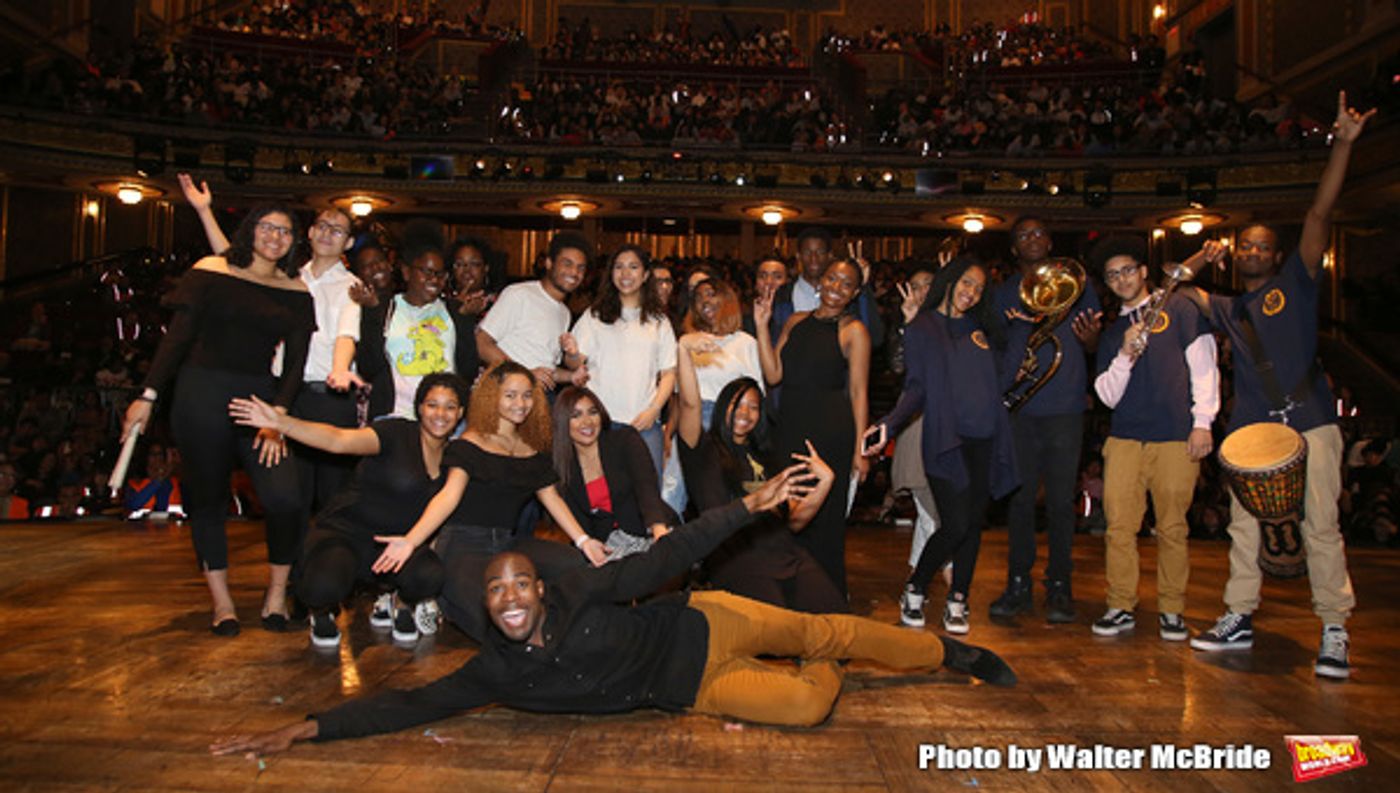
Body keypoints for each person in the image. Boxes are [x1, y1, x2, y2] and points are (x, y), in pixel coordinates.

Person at [208, 474, 1017, 757]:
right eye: (498, 591)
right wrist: (307, 726)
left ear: (539, 582)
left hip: (708, 622)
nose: (515, 595)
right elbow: (405, 705)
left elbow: (667, 559)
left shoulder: (583, 590)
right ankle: (823, 667)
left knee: (822, 628)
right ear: (486, 609)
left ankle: (944, 654)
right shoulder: (495, 670)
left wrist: (747, 504)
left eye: (521, 581)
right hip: (690, 690)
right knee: (809, 701)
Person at [1187, 91, 1374, 679]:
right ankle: (1238, 615)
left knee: (1319, 524)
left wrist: (1342, 145)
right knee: (1244, 526)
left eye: (1263, 245)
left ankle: (1335, 628)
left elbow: (1318, 216)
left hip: (1310, 417)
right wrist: (1195, 257)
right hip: (1249, 429)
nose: (1253, 251)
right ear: (1235, 254)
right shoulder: (1225, 306)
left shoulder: (1296, 280)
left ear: (1277, 254)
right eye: (1245, 246)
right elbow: (1171, 290)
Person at [121, 205, 314, 636]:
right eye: (267, 226)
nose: (275, 236)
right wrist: (147, 396)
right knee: (207, 500)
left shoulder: (296, 290)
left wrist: (277, 415)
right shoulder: (212, 269)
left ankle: (276, 594)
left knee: (284, 498)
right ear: (250, 230)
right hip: (200, 393)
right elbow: (177, 338)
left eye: (285, 231)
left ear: (293, 242)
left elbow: (296, 366)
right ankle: (222, 602)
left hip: (259, 401)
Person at [229, 373, 469, 647]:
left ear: (461, 412)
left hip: (395, 547)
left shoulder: (455, 456)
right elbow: (338, 440)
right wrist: (281, 422)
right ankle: (319, 614)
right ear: (419, 407)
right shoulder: (394, 433)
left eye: (450, 406)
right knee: (322, 587)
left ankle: (399, 605)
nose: (440, 413)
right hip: (346, 534)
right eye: (432, 404)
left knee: (431, 574)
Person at [375, 362, 605, 642]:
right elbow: (447, 497)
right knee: (495, 614)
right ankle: (439, 599)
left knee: (576, 565)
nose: (520, 403)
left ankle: (563, 636)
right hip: (463, 547)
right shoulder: (470, 444)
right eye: (510, 395)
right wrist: (410, 542)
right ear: (491, 397)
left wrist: (584, 541)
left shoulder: (532, 450)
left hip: (509, 544)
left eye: (527, 395)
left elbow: (552, 499)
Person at [177, 174, 362, 515]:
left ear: (348, 243)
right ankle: (295, 567)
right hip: (283, 397)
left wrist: (339, 369)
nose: (326, 233)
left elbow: (346, 336)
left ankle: (332, 566)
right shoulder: (288, 278)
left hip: (329, 397)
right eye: (322, 225)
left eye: (337, 230)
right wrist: (205, 212)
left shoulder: (351, 286)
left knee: (334, 499)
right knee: (292, 496)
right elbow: (232, 262)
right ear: (308, 232)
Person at [865, 256, 1017, 634]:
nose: (971, 292)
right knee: (955, 523)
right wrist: (890, 424)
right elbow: (916, 387)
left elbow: (1004, 379)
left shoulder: (983, 329)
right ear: (949, 281)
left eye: (979, 288)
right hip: (947, 441)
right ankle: (916, 588)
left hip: (986, 438)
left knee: (972, 526)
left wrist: (1023, 333)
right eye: (966, 282)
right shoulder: (924, 327)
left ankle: (958, 599)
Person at [1088, 236, 1219, 641]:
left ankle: (1172, 609)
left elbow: (1204, 367)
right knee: (1120, 528)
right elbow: (1106, 395)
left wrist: (1203, 423)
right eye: (1112, 275)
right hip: (1126, 437)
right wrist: (1125, 355)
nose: (1122, 279)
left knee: (1172, 527)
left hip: (1175, 437)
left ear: (1144, 272)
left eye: (1128, 269)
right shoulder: (1112, 333)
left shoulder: (1179, 309)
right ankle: (1121, 604)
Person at [676, 329, 846, 614]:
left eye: (753, 407)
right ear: (722, 406)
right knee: (777, 630)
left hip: (784, 552)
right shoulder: (702, 449)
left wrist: (827, 481)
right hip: (735, 556)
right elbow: (689, 403)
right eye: (737, 404)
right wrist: (683, 350)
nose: (745, 413)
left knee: (835, 619)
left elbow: (795, 521)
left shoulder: (766, 456)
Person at [989, 215, 1102, 624]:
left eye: (1039, 232)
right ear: (1015, 249)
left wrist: (1090, 338)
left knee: (1059, 504)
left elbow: (1092, 341)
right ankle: (1017, 582)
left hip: (1065, 409)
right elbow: (996, 349)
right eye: (1023, 236)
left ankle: (1059, 585)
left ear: (1050, 241)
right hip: (1019, 410)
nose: (1032, 239)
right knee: (1019, 501)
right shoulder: (1003, 294)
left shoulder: (1078, 286)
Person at [755, 258, 871, 598]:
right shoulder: (795, 321)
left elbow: (859, 392)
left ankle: (828, 602)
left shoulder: (854, 331)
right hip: (789, 429)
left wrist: (859, 451)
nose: (836, 287)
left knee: (825, 525)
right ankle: (791, 597)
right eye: (832, 279)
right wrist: (762, 327)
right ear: (820, 282)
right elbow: (773, 374)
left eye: (846, 283)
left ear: (855, 293)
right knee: (788, 518)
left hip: (831, 435)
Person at [568, 245, 677, 476]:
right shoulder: (594, 316)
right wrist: (571, 352)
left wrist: (654, 410)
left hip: (645, 425)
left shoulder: (659, 321)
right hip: (600, 425)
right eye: (619, 267)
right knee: (603, 498)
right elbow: (575, 365)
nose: (625, 274)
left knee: (648, 500)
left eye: (633, 267)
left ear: (646, 275)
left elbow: (669, 373)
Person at [354, 220, 479, 420]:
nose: (434, 279)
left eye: (440, 274)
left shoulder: (455, 310)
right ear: (406, 271)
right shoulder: (384, 308)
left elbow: (468, 371)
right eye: (427, 272)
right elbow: (368, 368)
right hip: (395, 416)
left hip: (444, 419)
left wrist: (465, 321)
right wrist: (370, 314)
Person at [551, 386, 673, 560]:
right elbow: (578, 522)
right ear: (562, 422)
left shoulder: (624, 440)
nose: (587, 422)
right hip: (602, 547)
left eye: (592, 412)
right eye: (576, 415)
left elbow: (646, 489)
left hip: (646, 532)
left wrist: (659, 531)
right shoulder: (561, 465)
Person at [477, 231, 590, 392]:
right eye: (567, 264)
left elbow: (545, 369)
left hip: (538, 398)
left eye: (580, 268)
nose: (574, 272)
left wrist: (571, 376)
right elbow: (482, 344)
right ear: (549, 263)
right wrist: (524, 374)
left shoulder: (564, 313)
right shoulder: (519, 294)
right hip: (505, 393)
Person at [768, 228, 883, 345]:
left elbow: (874, 338)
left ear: (830, 256)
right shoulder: (782, 295)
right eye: (808, 253)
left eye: (820, 252)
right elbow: (773, 341)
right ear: (798, 256)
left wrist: (862, 285)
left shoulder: (845, 297)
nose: (814, 259)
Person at [680, 278, 764, 429]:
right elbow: (678, 395)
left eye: (711, 294)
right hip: (691, 421)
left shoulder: (745, 342)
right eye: (698, 297)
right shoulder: (688, 342)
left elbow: (757, 393)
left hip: (730, 419)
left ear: (726, 299)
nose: (704, 301)